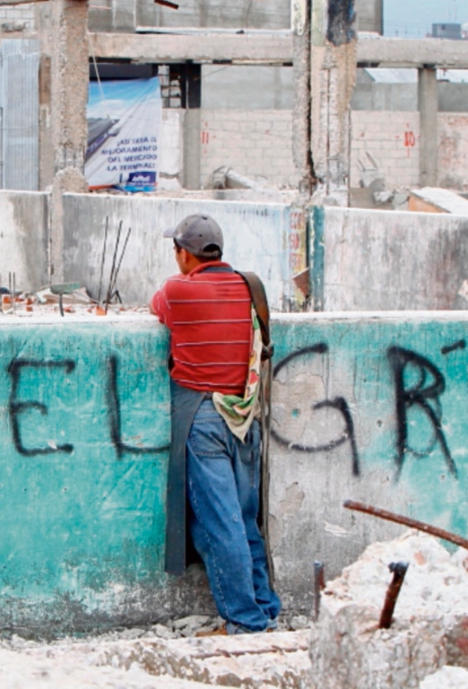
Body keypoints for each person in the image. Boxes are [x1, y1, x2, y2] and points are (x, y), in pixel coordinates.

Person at [151, 213, 281, 634]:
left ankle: (244, 621)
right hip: (244, 415)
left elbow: (157, 309)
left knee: (220, 521)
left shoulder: (177, 290)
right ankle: (264, 606)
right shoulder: (249, 287)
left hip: (203, 417)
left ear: (184, 255)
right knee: (245, 518)